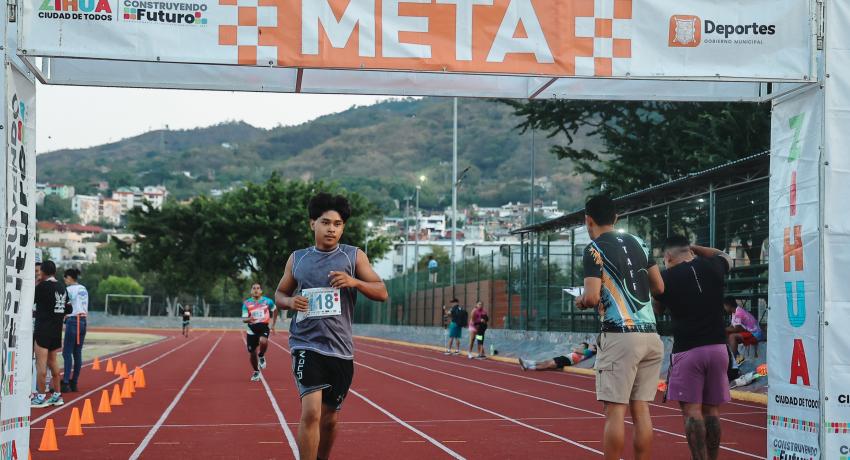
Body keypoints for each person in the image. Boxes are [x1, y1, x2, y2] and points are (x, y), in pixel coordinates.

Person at [275, 192, 388, 460]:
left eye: (337, 224)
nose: (331, 229)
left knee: (329, 420)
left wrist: (355, 282)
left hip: (340, 350)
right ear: (312, 223)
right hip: (306, 344)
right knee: (311, 412)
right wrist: (291, 302)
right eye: (326, 223)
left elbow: (382, 292)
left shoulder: (353, 257)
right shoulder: (298, 259)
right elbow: (279, 294)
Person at [574, 195, 664, 460]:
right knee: (641, 410)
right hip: (651, 335)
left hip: (620, 336)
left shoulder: (594, 249)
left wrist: (581, 300)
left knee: (615, 411)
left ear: (588, 220)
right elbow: (659, 287)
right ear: (616, 218)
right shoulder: (640, 243)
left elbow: (591, 297)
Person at [653, 236, 732, 460]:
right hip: (718, 348)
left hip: (688, 350)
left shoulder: (664, 277)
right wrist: (695, 248)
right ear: (690, 250)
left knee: (692, 412)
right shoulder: (713, 266)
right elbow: (724, 255)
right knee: (712, 411)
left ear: (668, 257)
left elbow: (657, 309)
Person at [31, 261, 71, 408]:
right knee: (53, 362)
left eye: (39, 271)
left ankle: (41, 396)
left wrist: (36, 283)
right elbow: (69, 309)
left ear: (44, 271)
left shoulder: (42, 287)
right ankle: (56, 395)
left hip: (43, 329)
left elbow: (30, 301)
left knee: (40, 364)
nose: (38, 273)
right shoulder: (61, 287)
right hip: (56, 330)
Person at [61, 268, 88, 393]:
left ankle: (65, 382)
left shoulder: (69, 290)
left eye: (65, 278)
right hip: (83, 322)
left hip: (73, 321)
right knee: (77, 353)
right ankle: (74, 382)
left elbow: (63, 306)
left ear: (70, 278)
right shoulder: (83, 289)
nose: (65, 281)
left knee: (67, 353)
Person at [243, 283, 277, 381]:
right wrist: (249, 319)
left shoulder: (268, 301)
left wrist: (273, 324)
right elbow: (244, 319)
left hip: (263, 326)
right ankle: (256, 371)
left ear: (261, 291)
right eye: (254, 288)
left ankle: (261, 355)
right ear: (251, 291)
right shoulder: (246, 303)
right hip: (251, 329)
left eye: (258, 288)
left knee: (263, 341)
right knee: (252, 353)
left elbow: (275, 310)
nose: (256, 290)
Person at [724, 297, 764, 365]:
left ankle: (740, 361)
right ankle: (728, 358)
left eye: (724, 306)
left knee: (732, 337)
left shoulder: (738, 313)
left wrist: (723, 329)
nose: (724, 308)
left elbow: (737, 329)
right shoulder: (734, 313)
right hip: (749, 332)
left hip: (755, 334)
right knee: (727, 335)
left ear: (728, 305)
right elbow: (732, 326)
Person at [519, 342, 597, 371]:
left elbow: (576, 350)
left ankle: (528, 366)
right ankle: (527, 363)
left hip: (567, 360)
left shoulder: (589, 352)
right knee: (546, 362)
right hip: (564, 358)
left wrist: (576, 349)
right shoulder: (586, 351)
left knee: (547, 365)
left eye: (582, 345)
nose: (580, 346)